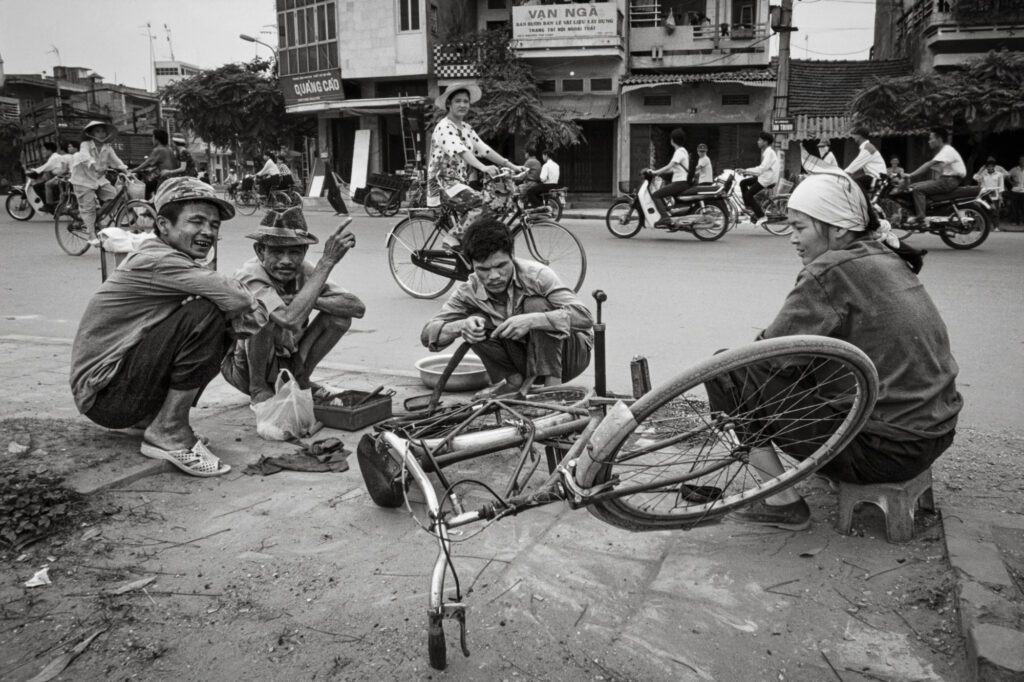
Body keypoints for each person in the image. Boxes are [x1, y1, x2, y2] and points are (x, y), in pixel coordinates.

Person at [715, 167, 961, 530]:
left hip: (884, 452)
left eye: (800, 228)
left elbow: (770, 356)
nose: (792, 239)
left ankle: (781, 502)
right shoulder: (886, 254)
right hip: (935, 434)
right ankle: (827, 466)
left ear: (839, 229)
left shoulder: (830, 270)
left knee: (727, 368)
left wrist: (752, 369)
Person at [70, 177, 268, 478]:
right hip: (106, 398)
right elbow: (239, 299)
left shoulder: (173, 260)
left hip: (115, 395)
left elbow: (245, 311)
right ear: (163, 224)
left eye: (214, 225)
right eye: (197, 222)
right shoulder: (158, 260)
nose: (207, 232)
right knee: (208, 313)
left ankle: (156, 419)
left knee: (212, 313)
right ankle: (168, 429)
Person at [421, 217, 593, 397]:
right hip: (524, 360)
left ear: (512, 255)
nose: (494, 276)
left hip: (571, 358)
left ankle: (552, 390)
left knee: (536, 305)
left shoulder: (537, 276)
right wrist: (461, 326)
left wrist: (533, 320)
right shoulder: (468, 291)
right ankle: (514, 383)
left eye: (501, 266)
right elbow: (428, 335)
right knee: (476, 321)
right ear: (471, 265)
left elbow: (585, 318)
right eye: (483, 269)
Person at [221, 208, 365, 404]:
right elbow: (288, 319)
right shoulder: (251, 275)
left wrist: (309, 298)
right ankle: (258, 389)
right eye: (277, 252)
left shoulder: (304, 269)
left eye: (295, 252)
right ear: (260, 251)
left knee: (339, 318)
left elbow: (356, 307)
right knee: (264, 317)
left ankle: (301, 377)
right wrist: (327, 262)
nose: (286, 261)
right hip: (244, 369)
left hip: (289, 359)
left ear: (304, 252)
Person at [426, 82, 521, 244]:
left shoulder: (466, 128)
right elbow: (460, 150)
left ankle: (465, 252)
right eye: (458, 101)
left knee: (494, 206)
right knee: (479, 205)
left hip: (459, 184)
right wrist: (482, 167)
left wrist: (512, 166)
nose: (462, 105)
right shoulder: (444, 127)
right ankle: (453, 237)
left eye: (465, 101)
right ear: (449, 104)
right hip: (443, 184)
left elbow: (485, 150)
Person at [70, 121, 129, 240]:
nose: (101, 134)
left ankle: (93, 219)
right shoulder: (85, 144)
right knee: (89, 206)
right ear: (91, 133)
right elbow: (85, 156)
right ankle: (91, 234)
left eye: (103, 131)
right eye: (97, 131)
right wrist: (92, 163)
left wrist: (127, 172)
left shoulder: (107, 147)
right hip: (83, 180)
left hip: (98, 179)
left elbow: (116, 161)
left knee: (113, 196)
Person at [905, 127, 966, 225]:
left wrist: (910, 175)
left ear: (939, 139)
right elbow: (937, 169)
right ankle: (925, 211)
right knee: (912, 187)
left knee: (918, 190)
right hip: (946, 179)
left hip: (949, 180)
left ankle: (921, 218)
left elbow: (929, 164)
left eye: (931, 138)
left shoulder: (947, 150)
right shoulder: (944, 151)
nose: (929, 141)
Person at [648, 128, 691, 228]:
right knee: (662, 193)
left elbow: (669, 166)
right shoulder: (683, 151)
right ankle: (668, 214)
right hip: (681, 182)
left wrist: (655, 172)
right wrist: (659, 173)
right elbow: (673, 169)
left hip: (679, 183)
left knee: (656, 195)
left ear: (672, 140)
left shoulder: (679, 152)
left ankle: (665, 218)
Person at [740, 132, 780, 227]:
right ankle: (750, 206)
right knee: (743, 183)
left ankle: (762, 216)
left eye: (759, 140)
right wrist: (746, 172)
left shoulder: (769, 153)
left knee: (749, 194)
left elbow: (761, 168)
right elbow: (762, 170)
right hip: (764, 176)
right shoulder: (767, 152)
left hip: (767, 178)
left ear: (765, 142)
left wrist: (746, 171)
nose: (757, 142)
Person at [133, 129, 178, 198]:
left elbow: (147, 163)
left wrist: (134, 170)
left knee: (145, 188)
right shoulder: (169, 148)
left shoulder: (159, 149)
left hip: (165, 178)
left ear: (157, 139)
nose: (152, 139)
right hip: (173, 177)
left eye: (153, 137)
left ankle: (146, 207)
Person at [844, 126, 888, 197]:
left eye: (854, 135)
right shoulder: (867, 147)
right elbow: (858, 166)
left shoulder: (867, 148)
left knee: (852, 186)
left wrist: (843, 173)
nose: (853, 137)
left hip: (876, 178)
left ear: (859, 136)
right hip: (875, 177)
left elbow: (855, 165)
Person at [973, 157, 1008, 227]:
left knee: (995, 212)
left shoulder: (999, 174)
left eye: (991, 166)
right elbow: (975, 178)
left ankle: (996, 227)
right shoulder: (983, 174)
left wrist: (1001, 197)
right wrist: (982, 169)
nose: (990, 168)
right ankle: (986, 227)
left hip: (995, 195)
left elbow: (1001, 186)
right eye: (988, 167)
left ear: (994, 167)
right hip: (985, 195)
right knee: (985, 211)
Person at [30, 141, 63, 207]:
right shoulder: (55, 156)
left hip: (61, 178)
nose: (43, 152)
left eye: (44, 150)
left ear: (50, 150)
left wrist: (34, 171)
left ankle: (48, 205)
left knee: (38, 186)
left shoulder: (54, 158)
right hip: (60, 177)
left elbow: (46, 167)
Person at [1008, 156, 1024, 225]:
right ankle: (1015, 221)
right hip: (1015, 191)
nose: (1023, 161)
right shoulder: (1014, 169)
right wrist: (1011, 182)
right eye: (1021, 160)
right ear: (1019, 161)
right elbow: (1007, 176)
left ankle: (1023, 221)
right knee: (1015, 208)